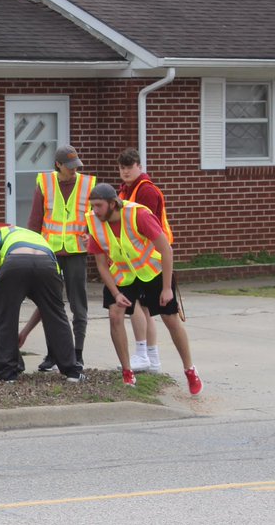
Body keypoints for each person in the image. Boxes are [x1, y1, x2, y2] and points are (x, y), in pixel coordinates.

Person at [87, 182, 202, 394]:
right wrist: (116, 293)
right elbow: (101, 265)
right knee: (115, 315)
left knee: (170, 319)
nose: (95, 210)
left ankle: (189, 369)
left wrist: (167, 288)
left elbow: (166, 250)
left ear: (113, 203)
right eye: (92, 206)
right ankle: (127, 371)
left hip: (152, 271)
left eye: (99, 206)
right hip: (123, 274)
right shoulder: (94, 223)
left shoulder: (138, 215)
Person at [0, 225, 84, 383]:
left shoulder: (4, 232)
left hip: (15, 263)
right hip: (47, 265)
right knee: (56, 314)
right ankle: (72, 372)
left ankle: (8, 373)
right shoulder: (39, 239)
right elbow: (44, 308)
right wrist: (25, 332)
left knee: (6, 315)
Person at [27, 144, 95, 371]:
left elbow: (96, 218)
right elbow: (35, 221)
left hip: (76, 253)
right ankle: (53, 354)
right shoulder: (45, 183)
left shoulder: (87, 184)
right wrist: (33, 250)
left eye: (77, 165)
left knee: (79, 306)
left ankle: (78, 354)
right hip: (50, 253)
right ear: (58, 165)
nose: (74, 169)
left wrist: (92, 236)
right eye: (70, 166)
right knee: (51, 305)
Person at [116, 148, 175, 374]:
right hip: (138, 258)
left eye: (130, 167)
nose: (126, 172)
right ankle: (151, 358)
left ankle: (145, 355)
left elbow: (144, 226)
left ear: (139, 167)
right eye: (122, 168)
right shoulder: (125, 190)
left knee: (140, 306)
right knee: (143, 308)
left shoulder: (146, 191)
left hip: (150, 257)